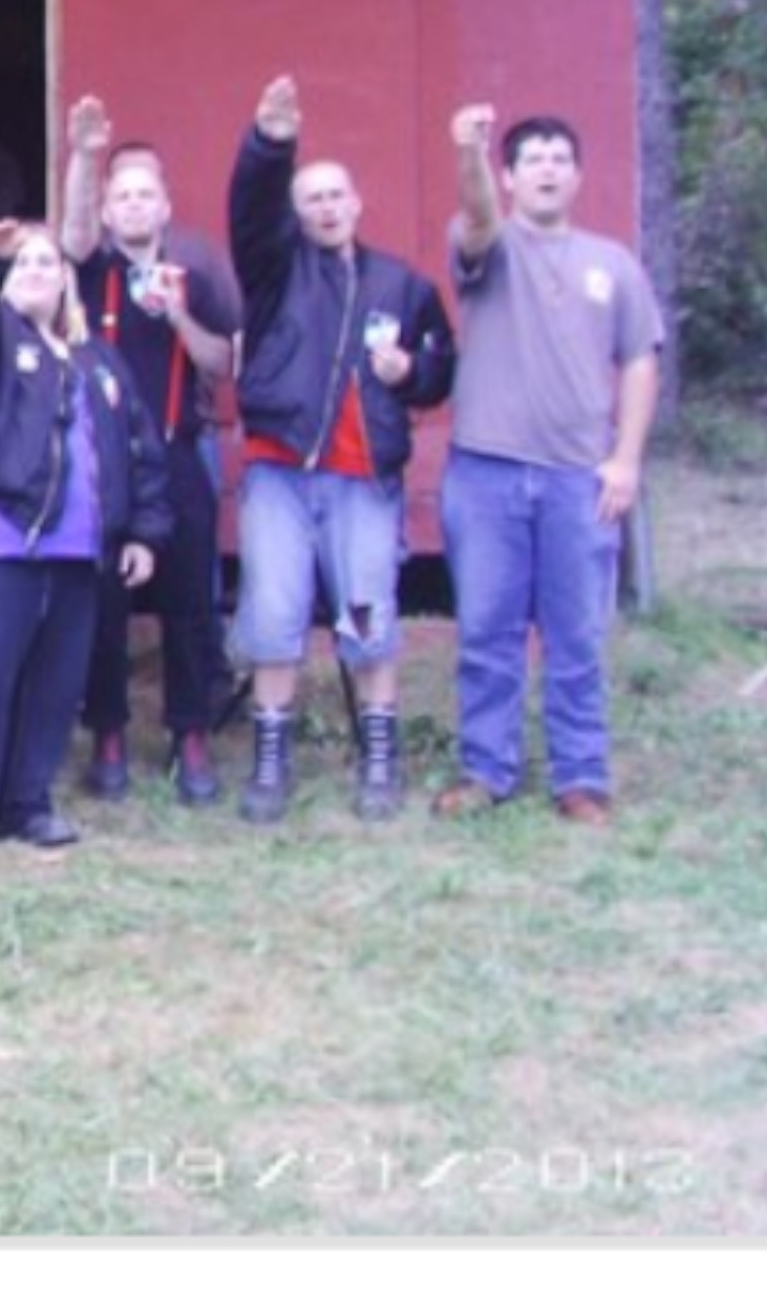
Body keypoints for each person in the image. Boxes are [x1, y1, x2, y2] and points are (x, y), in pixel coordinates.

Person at [227, 77, 455, 825]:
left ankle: (380, 762)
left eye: (336, 196)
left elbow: (441, 367)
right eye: (311, 197)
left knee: (367, 617)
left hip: (362, 481)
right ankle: (271, 764)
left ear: (357, 205)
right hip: (279, 474)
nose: (324, 207)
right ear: (298, 212)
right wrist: (269, 145)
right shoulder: (273, 268)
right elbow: (250, 211)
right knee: (274, 611)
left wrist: (411, 371)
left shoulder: (403, 284)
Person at [433, 108, 663, 826]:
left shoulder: (613, 263)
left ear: (577, 174)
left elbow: (638, 361)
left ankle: (582, 778)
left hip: (577, 480)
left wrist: (624, 462)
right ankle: (485, 770)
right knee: (488, 632)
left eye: (560, 157)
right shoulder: (490, 245)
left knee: (576, 637)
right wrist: (468, 150)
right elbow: (475, 218)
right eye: (531, 158)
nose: (547, 167)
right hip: (487, 473)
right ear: (509, 175)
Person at [0, 224, 170, 865]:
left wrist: (142, 528)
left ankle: (26, 803)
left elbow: (139, 448)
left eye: (47, 261)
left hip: (76, 551)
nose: (35, 269)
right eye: (22, 261)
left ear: (67, 280)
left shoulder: (98, 361)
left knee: (55, 687)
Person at [58, 98, 242, 806]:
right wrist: (83, 155)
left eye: (146, 196)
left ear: (165, 209)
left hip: (176, 451)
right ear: (109, 212)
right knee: (103, 600)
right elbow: (71, 229)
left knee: (190, 601)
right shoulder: (89, 266)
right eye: (122, 196)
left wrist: (179, 318)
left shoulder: (189, 272)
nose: (134, 206)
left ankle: (189, 732)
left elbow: (221, 364)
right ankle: (107, 730)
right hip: (102, 466)